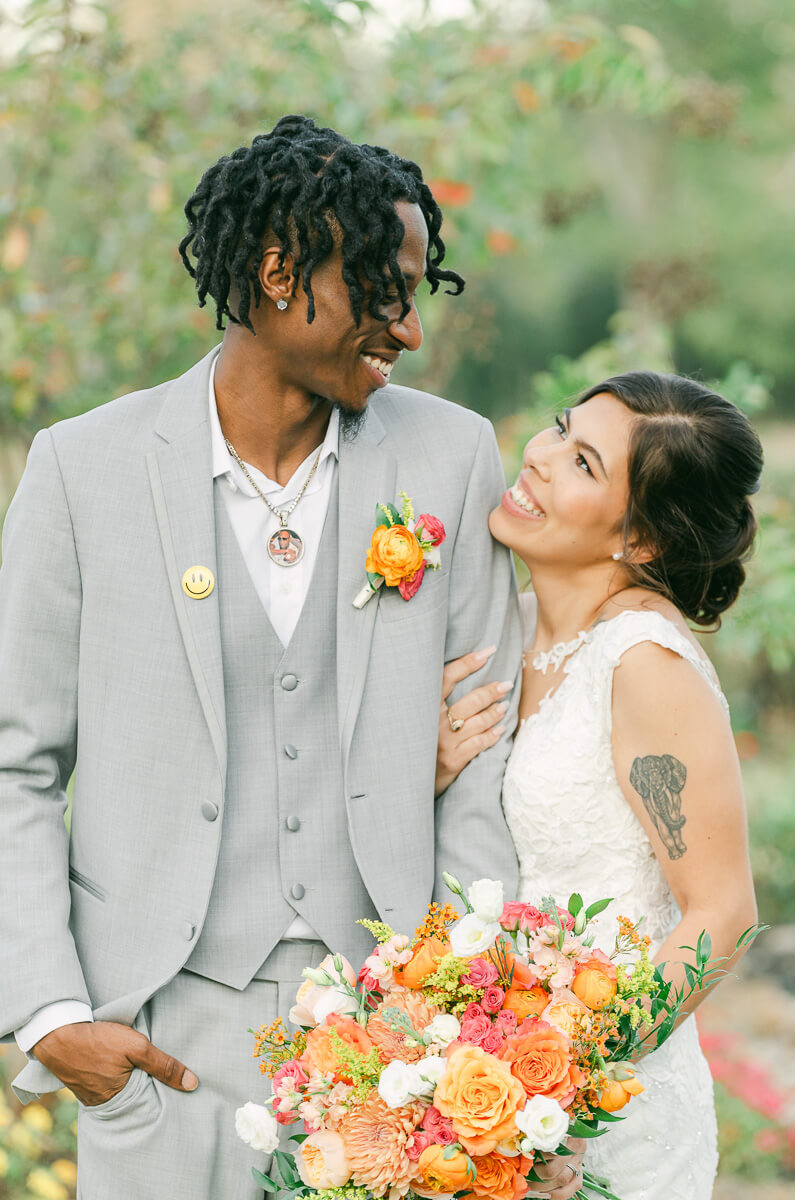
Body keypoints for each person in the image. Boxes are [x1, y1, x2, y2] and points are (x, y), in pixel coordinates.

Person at [0, 116, 584, 1200]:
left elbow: (485, 746)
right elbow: (12, 761)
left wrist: (454, 1015)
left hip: (391, 1043)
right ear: (278, 274)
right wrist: (52, 1017)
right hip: (158, 1042)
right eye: (383, 290)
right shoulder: (84, 470)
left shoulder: (449, 456)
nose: (407, 330)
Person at [436, 371, 762, 1199]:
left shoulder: (645, 666)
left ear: (642, 540)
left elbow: (723, 914)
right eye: (557, 428)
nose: (539, 457)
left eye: (583, 463)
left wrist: (566, 1095)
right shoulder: (499, 628)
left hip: (609, 1121)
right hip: (478, 1102)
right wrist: (435, 772)